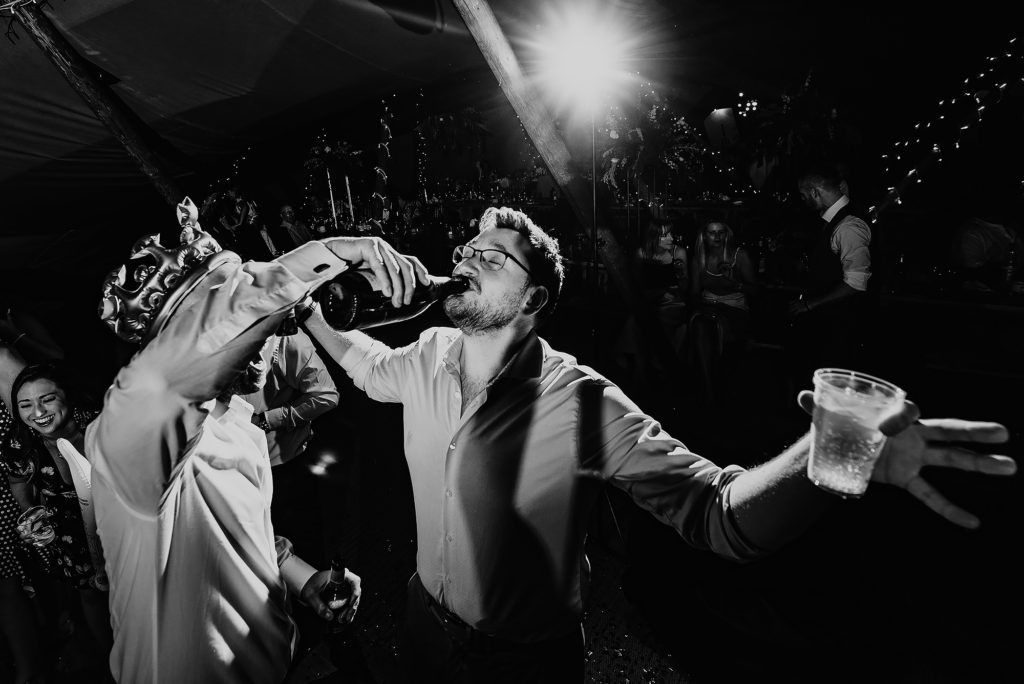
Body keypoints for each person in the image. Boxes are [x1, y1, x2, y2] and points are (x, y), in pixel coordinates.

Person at [297, 205, 1016, 683]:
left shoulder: (578, 399)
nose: (468, 258)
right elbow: (363, 367)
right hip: (422, 630)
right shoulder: (427, 351)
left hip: (519, 664)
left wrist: (829, 457)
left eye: (494, 256)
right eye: (468, 249)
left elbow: (716, 516)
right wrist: (310, 303)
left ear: (537, 299)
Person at [82, 199, 366, 683]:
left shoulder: (240, 421)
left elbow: (239, 533)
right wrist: (324, 254)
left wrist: (301, 578)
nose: (260, 335)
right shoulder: (126, 438)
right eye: (226, 313)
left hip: (278, 661)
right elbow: (159, 385)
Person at [4, 362, 113, 679]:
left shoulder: (102, 424)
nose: (37, 412)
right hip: (67, 528)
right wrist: (32, 513)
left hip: (120, 519)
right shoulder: (20, 442)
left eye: (47, 399)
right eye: (25, 404)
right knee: (90, 593)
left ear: (68, 397)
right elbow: (16, 479)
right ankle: (113, 662)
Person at [239, 329, 339, 564]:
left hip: (284, 467)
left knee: (302, 546)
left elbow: (326, 395)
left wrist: (266, 420)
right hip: (238, 464)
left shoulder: (288, 339)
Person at [787, 164, 873, 377]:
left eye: (804, 195)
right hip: (828, 323)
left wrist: (810, 304)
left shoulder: (849, 225)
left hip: (841, 325)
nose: (803, 200)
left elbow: (856, 282)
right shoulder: (834, 221)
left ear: (815, 192)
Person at [687, 219, 758, 406]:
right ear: (704, 235)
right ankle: (709, 388)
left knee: (715, 330)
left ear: (727, 234)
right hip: (708, 306)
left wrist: (734, 282)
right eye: (712, 232)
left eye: (721, 232)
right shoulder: (698, 258)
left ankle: (713, 388)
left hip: (735, 308)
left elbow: (755, 290)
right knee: (701, 326)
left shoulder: (739, 255)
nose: (717, 236)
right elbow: (694, 293)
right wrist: (701, 307)